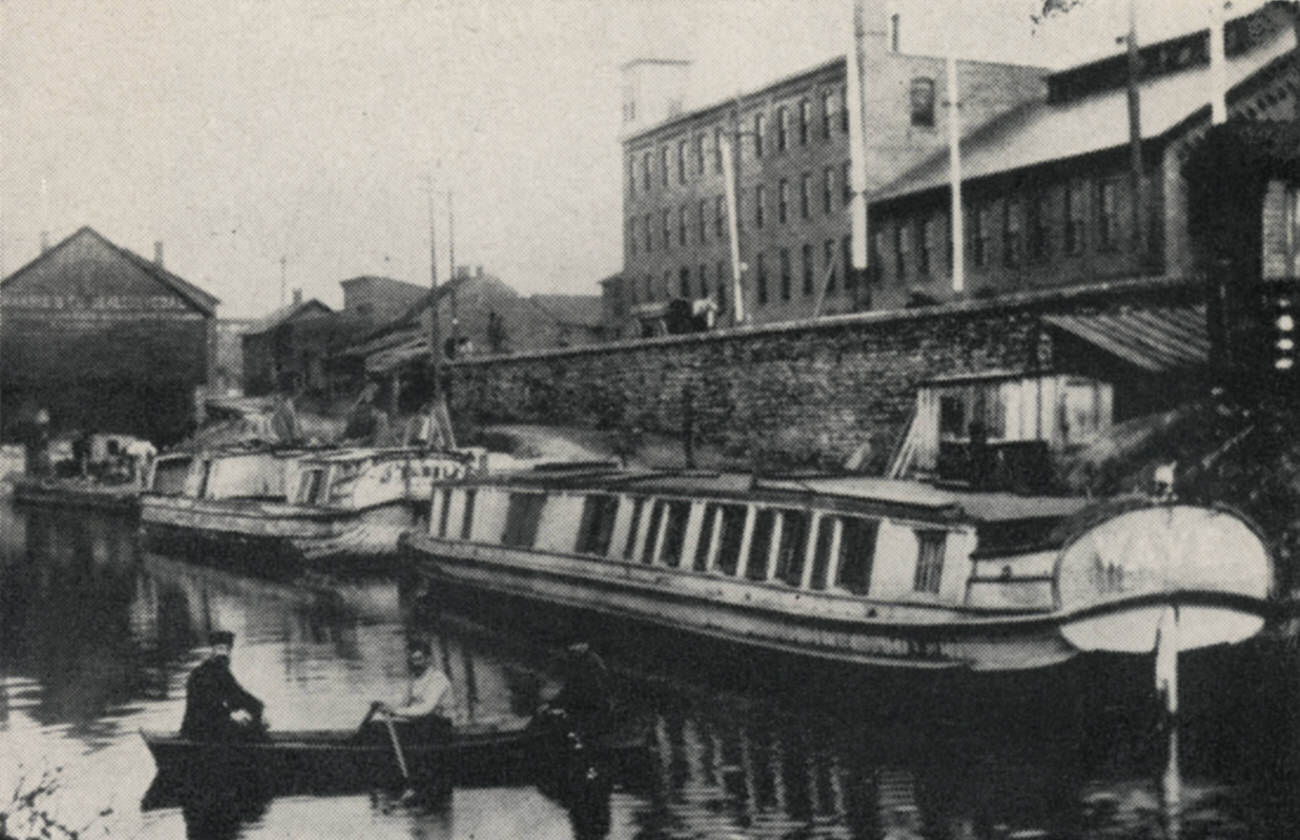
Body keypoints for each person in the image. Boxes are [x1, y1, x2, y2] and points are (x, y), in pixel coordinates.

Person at [361, 638, 455, 743]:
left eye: (418, 659)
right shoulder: (413, 679)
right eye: (412, 660)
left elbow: (425, 709)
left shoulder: (438, 679)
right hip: (420, 725)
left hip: (439, 728)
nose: (414, 664)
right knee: (374, 727)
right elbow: (402, 703)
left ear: (428, 659)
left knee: (379, 731)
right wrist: (385, 706)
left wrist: (395, 712)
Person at [180, 630, 267, 742]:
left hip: (215, 723)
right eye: (220, 649)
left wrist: (259, 708)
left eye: (227, 649)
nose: (223, 653)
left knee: (257, 728)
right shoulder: (200, 674)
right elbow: (209, 704)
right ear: (212, 650)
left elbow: (238, 695)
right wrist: (231, 715)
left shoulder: (223, 673)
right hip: (198, 728)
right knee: (253, 734)